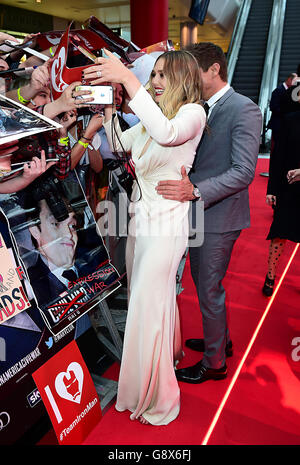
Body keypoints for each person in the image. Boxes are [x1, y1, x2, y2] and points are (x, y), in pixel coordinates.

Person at [83, 48, 206, 425]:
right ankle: (143, 382)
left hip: (167, 225)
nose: (155, 82)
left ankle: (160, 397)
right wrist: (108, 112)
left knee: (148, 309)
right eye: (153, 75)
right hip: (141, 220)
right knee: (143, 303)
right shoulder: (155, 114)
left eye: (163, 75)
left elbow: (167, 135)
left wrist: (127, 78)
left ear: (184, 78)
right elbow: (122, 145)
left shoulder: (193, 113)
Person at [156, 42, 262, 383]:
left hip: (219, 216)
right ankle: (220, 340)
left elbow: (244, 171)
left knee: (208, 288)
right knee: (204, 286)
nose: (187, 79)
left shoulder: (243, 109)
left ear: (214, 70)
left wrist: (197, 191)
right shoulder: (199, 106)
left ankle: (215, 363)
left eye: (194, 72)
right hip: (199, 212)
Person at [262, 86, 300, 297]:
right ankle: (270, 275)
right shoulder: (290, 120)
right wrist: (272, 189)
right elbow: (278, 158)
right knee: (279, 234)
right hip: (288, 187)